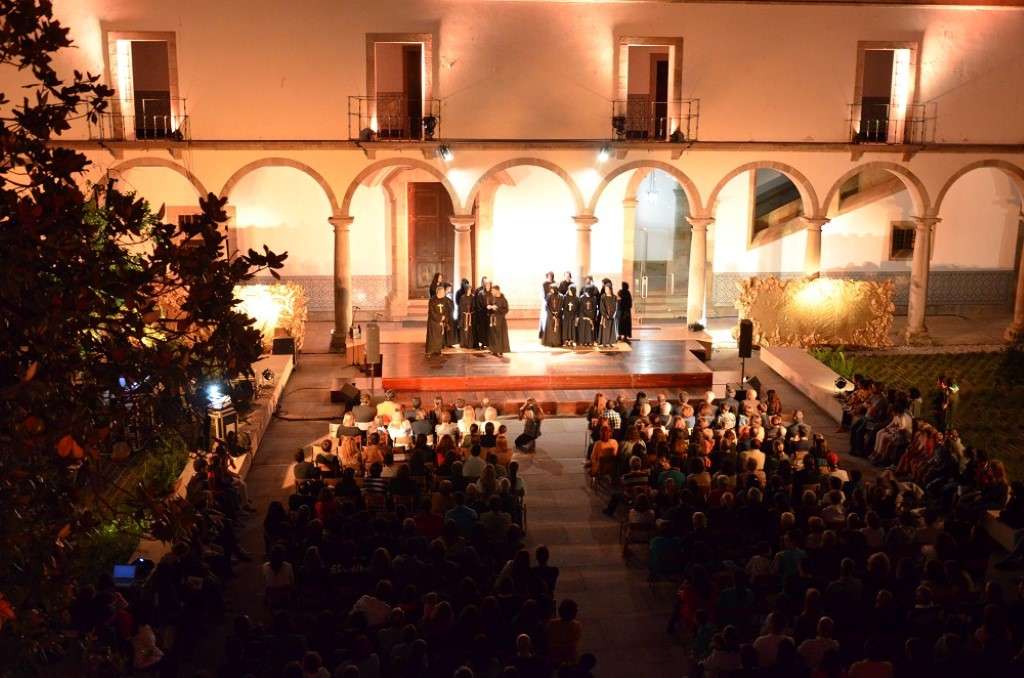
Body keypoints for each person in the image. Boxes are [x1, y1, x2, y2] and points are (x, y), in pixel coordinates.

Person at [425, 283, 454, 356]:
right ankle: (430, 351)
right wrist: (440, 318)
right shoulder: (432, 300)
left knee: (439, 337)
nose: (444, 293)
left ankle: (438, 350)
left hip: (441, 322)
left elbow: (447, 310)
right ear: (439, 292)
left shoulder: (445, 300)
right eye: (443, 292)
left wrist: (445, 318)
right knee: (432, 337)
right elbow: (431, 312)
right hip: (433, 322)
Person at [487, 285, 511, 357]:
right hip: (493, 319)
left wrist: (497, 308)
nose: (492, 292)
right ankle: (493, 350)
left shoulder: (503, 300)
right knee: (493, 335)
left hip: (500, 320)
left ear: (497, 291)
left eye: (493, 291)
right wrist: (489, 307)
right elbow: (489, 306)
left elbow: (506, 310)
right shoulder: (492, 298)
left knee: (500, 336)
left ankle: (500, 350)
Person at [474, 276, 492, 349]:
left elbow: (494, 302)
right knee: (483, 330)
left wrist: (491, 307)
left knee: (489, 330)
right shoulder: (481, 293)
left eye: (489, 285)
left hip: (490, 315)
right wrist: (485, 308)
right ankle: (483, 343)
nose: (488, 286)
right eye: (486, 285)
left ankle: (489, 343)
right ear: (484, 285)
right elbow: (478, 304)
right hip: (483, 315)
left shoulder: (492, 293)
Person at [543, 283, 563, 348]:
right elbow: (547, 306)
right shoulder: (549, 295)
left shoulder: (560, 296)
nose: (551, 290)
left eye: (552, 289)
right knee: (550, 330)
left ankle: (557, 343)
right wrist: (552, 314)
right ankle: (550, 342)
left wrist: (557, 313)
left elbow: (561, 306)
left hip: (558, 315)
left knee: (557, 330)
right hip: (550, 316)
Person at [597, 281, 617, 347]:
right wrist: (605, 315)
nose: (606, 290)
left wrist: (611, 315)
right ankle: (604, 343)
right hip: (605, 317)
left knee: (611, 329)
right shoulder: (603, 296)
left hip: (611, 316)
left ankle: (610, 342)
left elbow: (615, 306)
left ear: (610, 289)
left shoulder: (614, 297)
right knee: (605, 330)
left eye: (607, 289)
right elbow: (601, 307)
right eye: (605, 289)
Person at [456, 278, 474, 348]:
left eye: (470, 289)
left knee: (470, 331)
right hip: (464, 316)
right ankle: (463, 343)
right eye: (468, 290)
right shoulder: (462, 297)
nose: (469, 291)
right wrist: (461, 316)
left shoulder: (473, 297)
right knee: (464, 330)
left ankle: (470, 344)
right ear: (466, 290)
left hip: (471, 316)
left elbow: (474, 306)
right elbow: (460, 308)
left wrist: (471, 313)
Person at [540, 271, 555, 339]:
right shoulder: (544, 284)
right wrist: (545, 301)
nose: (550, 277)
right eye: (549, 275)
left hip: (553, 303)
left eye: (551, 275)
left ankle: (552, 333)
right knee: (544, 318)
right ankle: (544, 333)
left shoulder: (555, 283)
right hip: (546, 302)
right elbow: (542, 294)